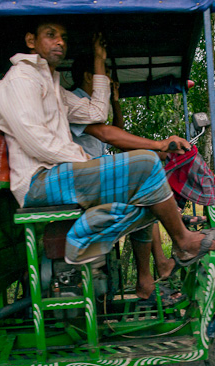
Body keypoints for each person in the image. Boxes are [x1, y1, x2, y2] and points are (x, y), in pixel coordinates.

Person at [0, 19, 215, 304]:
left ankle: (88, 238)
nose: (60, 42)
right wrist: (85, 159)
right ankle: (182, 243)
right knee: (146, 165)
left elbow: (97, 112)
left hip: (58, 174)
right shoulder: (20, 80)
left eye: (63, 37)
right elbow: (38, 142)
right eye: (51, 35)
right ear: (31, 41)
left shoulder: (52, 85)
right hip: (38, 182)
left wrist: (99, 60)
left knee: (152, 196)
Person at [68, 56, 184, 293]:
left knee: (146, 189)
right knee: (145, 191)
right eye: (105, 73)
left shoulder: (90, 104)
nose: (109, 80)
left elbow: (116, 133)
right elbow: (108, 134)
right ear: (91, 76)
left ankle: (150, 276)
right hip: (85, 180)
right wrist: (158, 145)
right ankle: (156, 269)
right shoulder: (76, 102)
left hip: (95, 175)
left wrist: (117, 101)